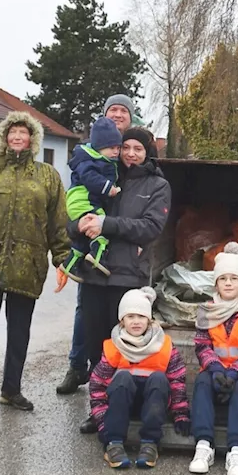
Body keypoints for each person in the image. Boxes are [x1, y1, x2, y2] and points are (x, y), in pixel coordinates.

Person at [0, 112, 71, 419]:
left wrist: (61, 259)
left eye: (24, 133)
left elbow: (57, 223)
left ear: (33, 139)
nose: (18, 138)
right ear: (4, 137)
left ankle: (11, 390)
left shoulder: (47, 176)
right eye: (13, 133)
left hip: (28, 263)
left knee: (20, 331)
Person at [73, 126, 171, 433]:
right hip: (93, 273)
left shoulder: (157, 185)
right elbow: (75, 209)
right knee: (96, 347)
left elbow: (150, 227)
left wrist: (107, 225)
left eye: (137, 149)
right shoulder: (103, 175)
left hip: (128, 278)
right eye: (125, 147)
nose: (130, 153)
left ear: (147, 152)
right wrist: (78, 224)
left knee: (126, 346)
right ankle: (98, 410)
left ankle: (127, 407)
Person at [56, 92, 141, 397]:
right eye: (112, 110)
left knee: (122, 313)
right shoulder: (90, 156)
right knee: (85, 312)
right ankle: (78, 366)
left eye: (123, 111)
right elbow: (77, 199)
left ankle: (114, 373)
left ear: (131, 118)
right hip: (94, 239)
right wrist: (75, 226)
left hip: (123, 246)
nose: (118, 115)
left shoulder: (134, 154)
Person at [188, 243, 238, 475]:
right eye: (223, 278)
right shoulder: (207, 312)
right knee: (201, 383)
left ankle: (236, 450)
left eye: (234, 278)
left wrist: (235, 372)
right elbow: (202, 345)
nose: (229, 283)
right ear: (216, 283)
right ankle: (204, 445)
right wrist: (213, 368)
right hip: (214, 371)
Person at [89, 287, 190, 469]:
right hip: (121, 404)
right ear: (122, 320)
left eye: (141, 317)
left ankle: (150, 442)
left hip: (153, 404)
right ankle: (114, 443)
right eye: (130, 317)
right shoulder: (114, 346)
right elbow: (97, 387)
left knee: (159, 378)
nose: (136, 322)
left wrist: (180, 413)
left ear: (149, 320)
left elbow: (177, 380)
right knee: (123, 378)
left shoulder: (163, 345)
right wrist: (102, 422)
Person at [64, 116, 123, 278]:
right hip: (82, 201)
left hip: (83, 202)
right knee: (100, 223)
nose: (116, 152)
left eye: (118, 148)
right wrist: (108, 188)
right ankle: (98, 258)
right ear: (99, 147)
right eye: (111, 148)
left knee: (83, 238)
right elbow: (90, 178)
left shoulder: (101, 159)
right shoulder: (88, 160)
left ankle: (70, 263)